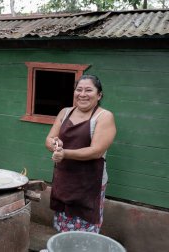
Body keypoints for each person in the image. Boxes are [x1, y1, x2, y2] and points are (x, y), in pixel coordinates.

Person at [45, 74, 116, 234]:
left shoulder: (104, 116)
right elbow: (49, 139)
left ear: (99, 95)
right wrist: (55, 144)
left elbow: (96, 151)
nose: (82, 94)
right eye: (79, 90)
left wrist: (64, 153)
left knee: (84, 230)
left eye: (88, 90)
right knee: (62, 225)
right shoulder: (65, 112)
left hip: (90, 183)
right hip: (64, 180)